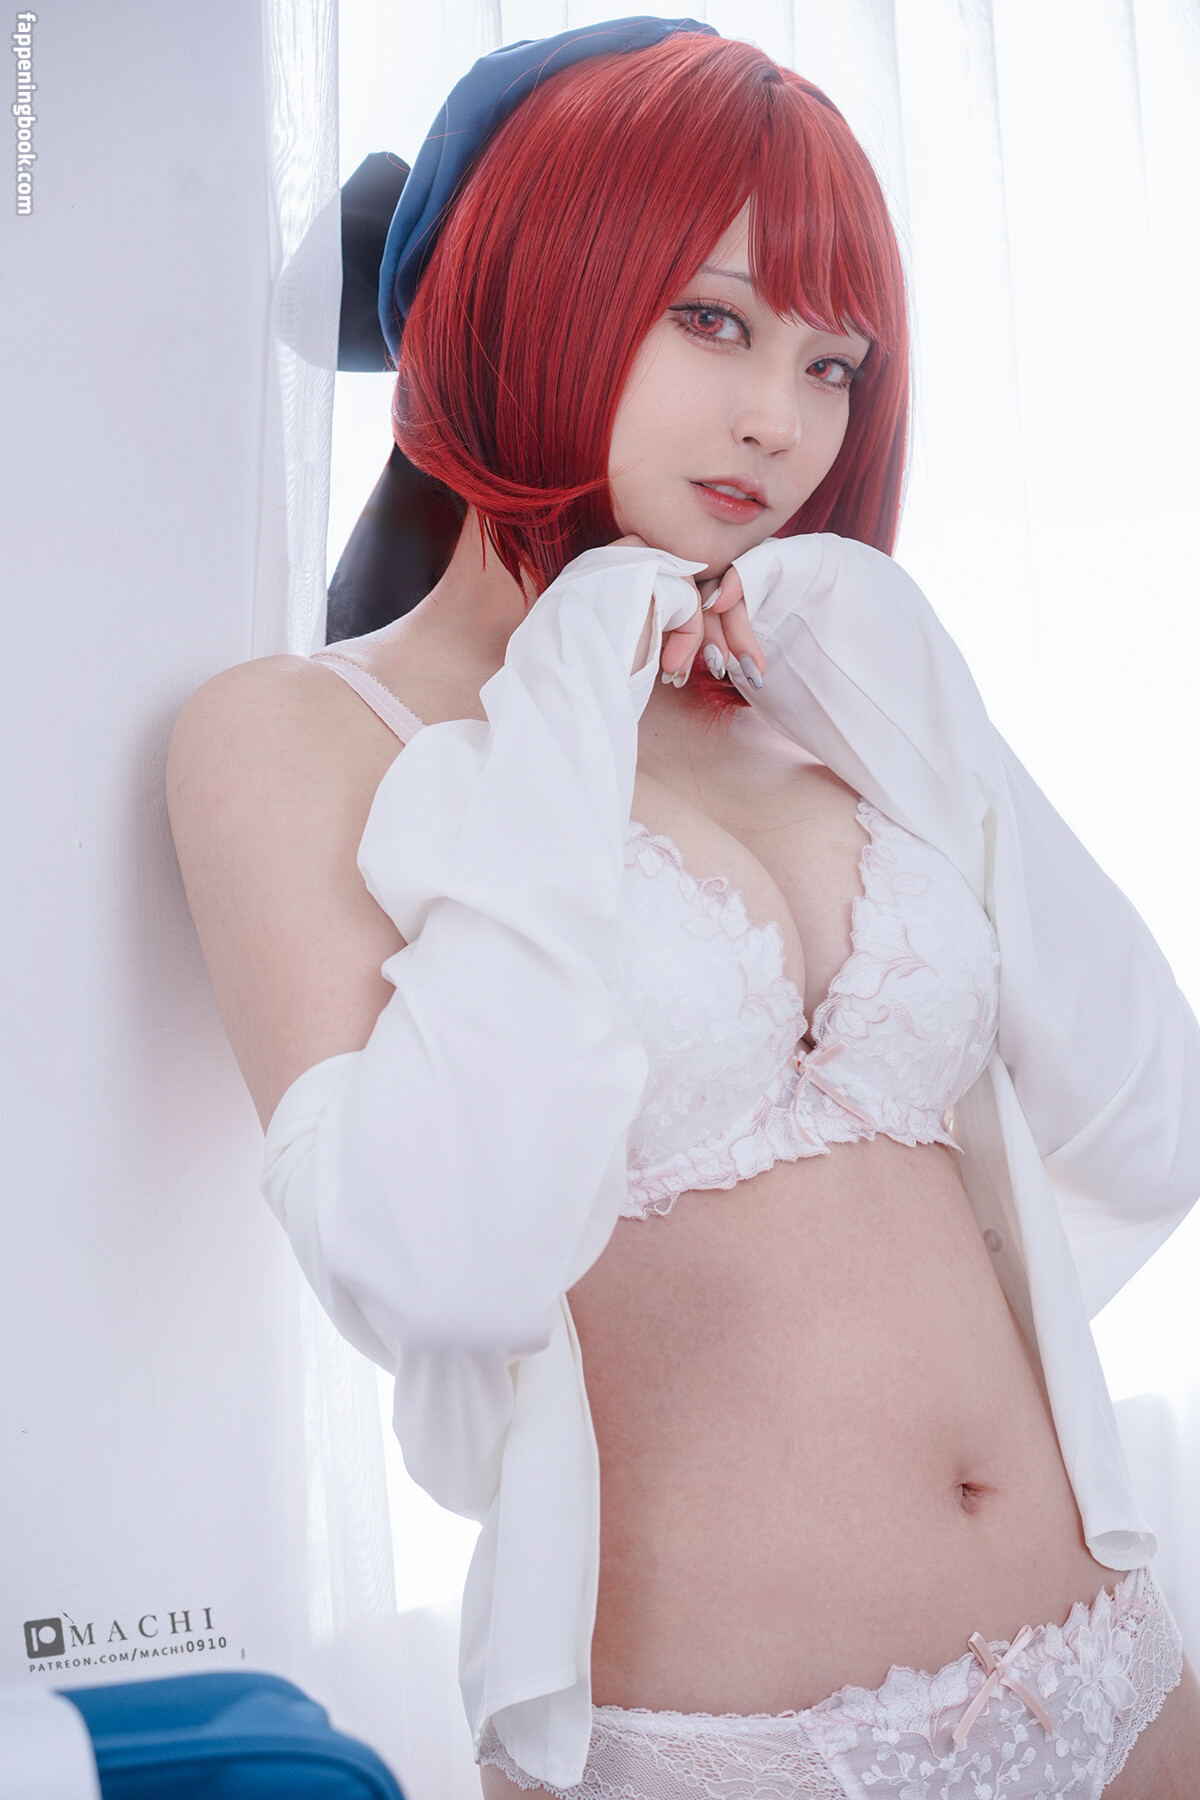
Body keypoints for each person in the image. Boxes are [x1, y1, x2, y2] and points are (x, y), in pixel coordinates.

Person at [165, 18, 1200, 1798]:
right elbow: (444, 1269)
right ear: (530, 287)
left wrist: (915, 692)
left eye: (832, 362)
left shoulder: (811, 703)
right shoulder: (295, 737)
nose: (783, 422)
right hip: (715, 1748)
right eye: (715, 321)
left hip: (1112, 1677)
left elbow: (1149, 1127)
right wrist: (565, 697)